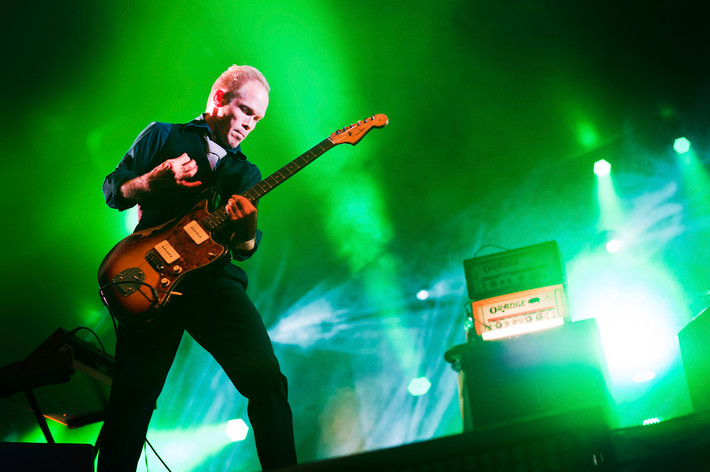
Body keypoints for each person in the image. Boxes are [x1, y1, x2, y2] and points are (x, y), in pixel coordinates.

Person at [98, 65, 297, 471]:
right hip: (151, 280)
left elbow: (242, 249)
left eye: (257, 119)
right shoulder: (163, 135)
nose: (249, 125)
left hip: (214, 283)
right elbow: (113, 190)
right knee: (133, 398)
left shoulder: (246, 173)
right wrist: (150, 182)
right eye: (245, 111)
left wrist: (246, 231)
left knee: (267, 381)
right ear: (220, 97)